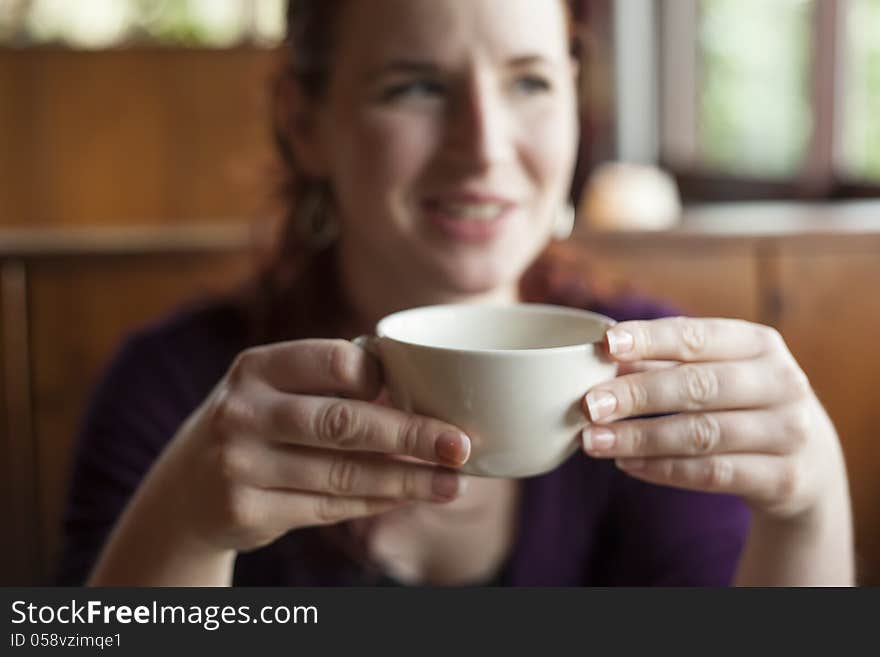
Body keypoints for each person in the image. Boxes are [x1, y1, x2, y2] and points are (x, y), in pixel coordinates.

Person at [57, 0, 854, 587]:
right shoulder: (175, 391)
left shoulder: (653, 379)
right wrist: (186, 524)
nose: (485, 147)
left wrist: (810, 505)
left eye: (531, 82)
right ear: (305, 123)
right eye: (416, 87)